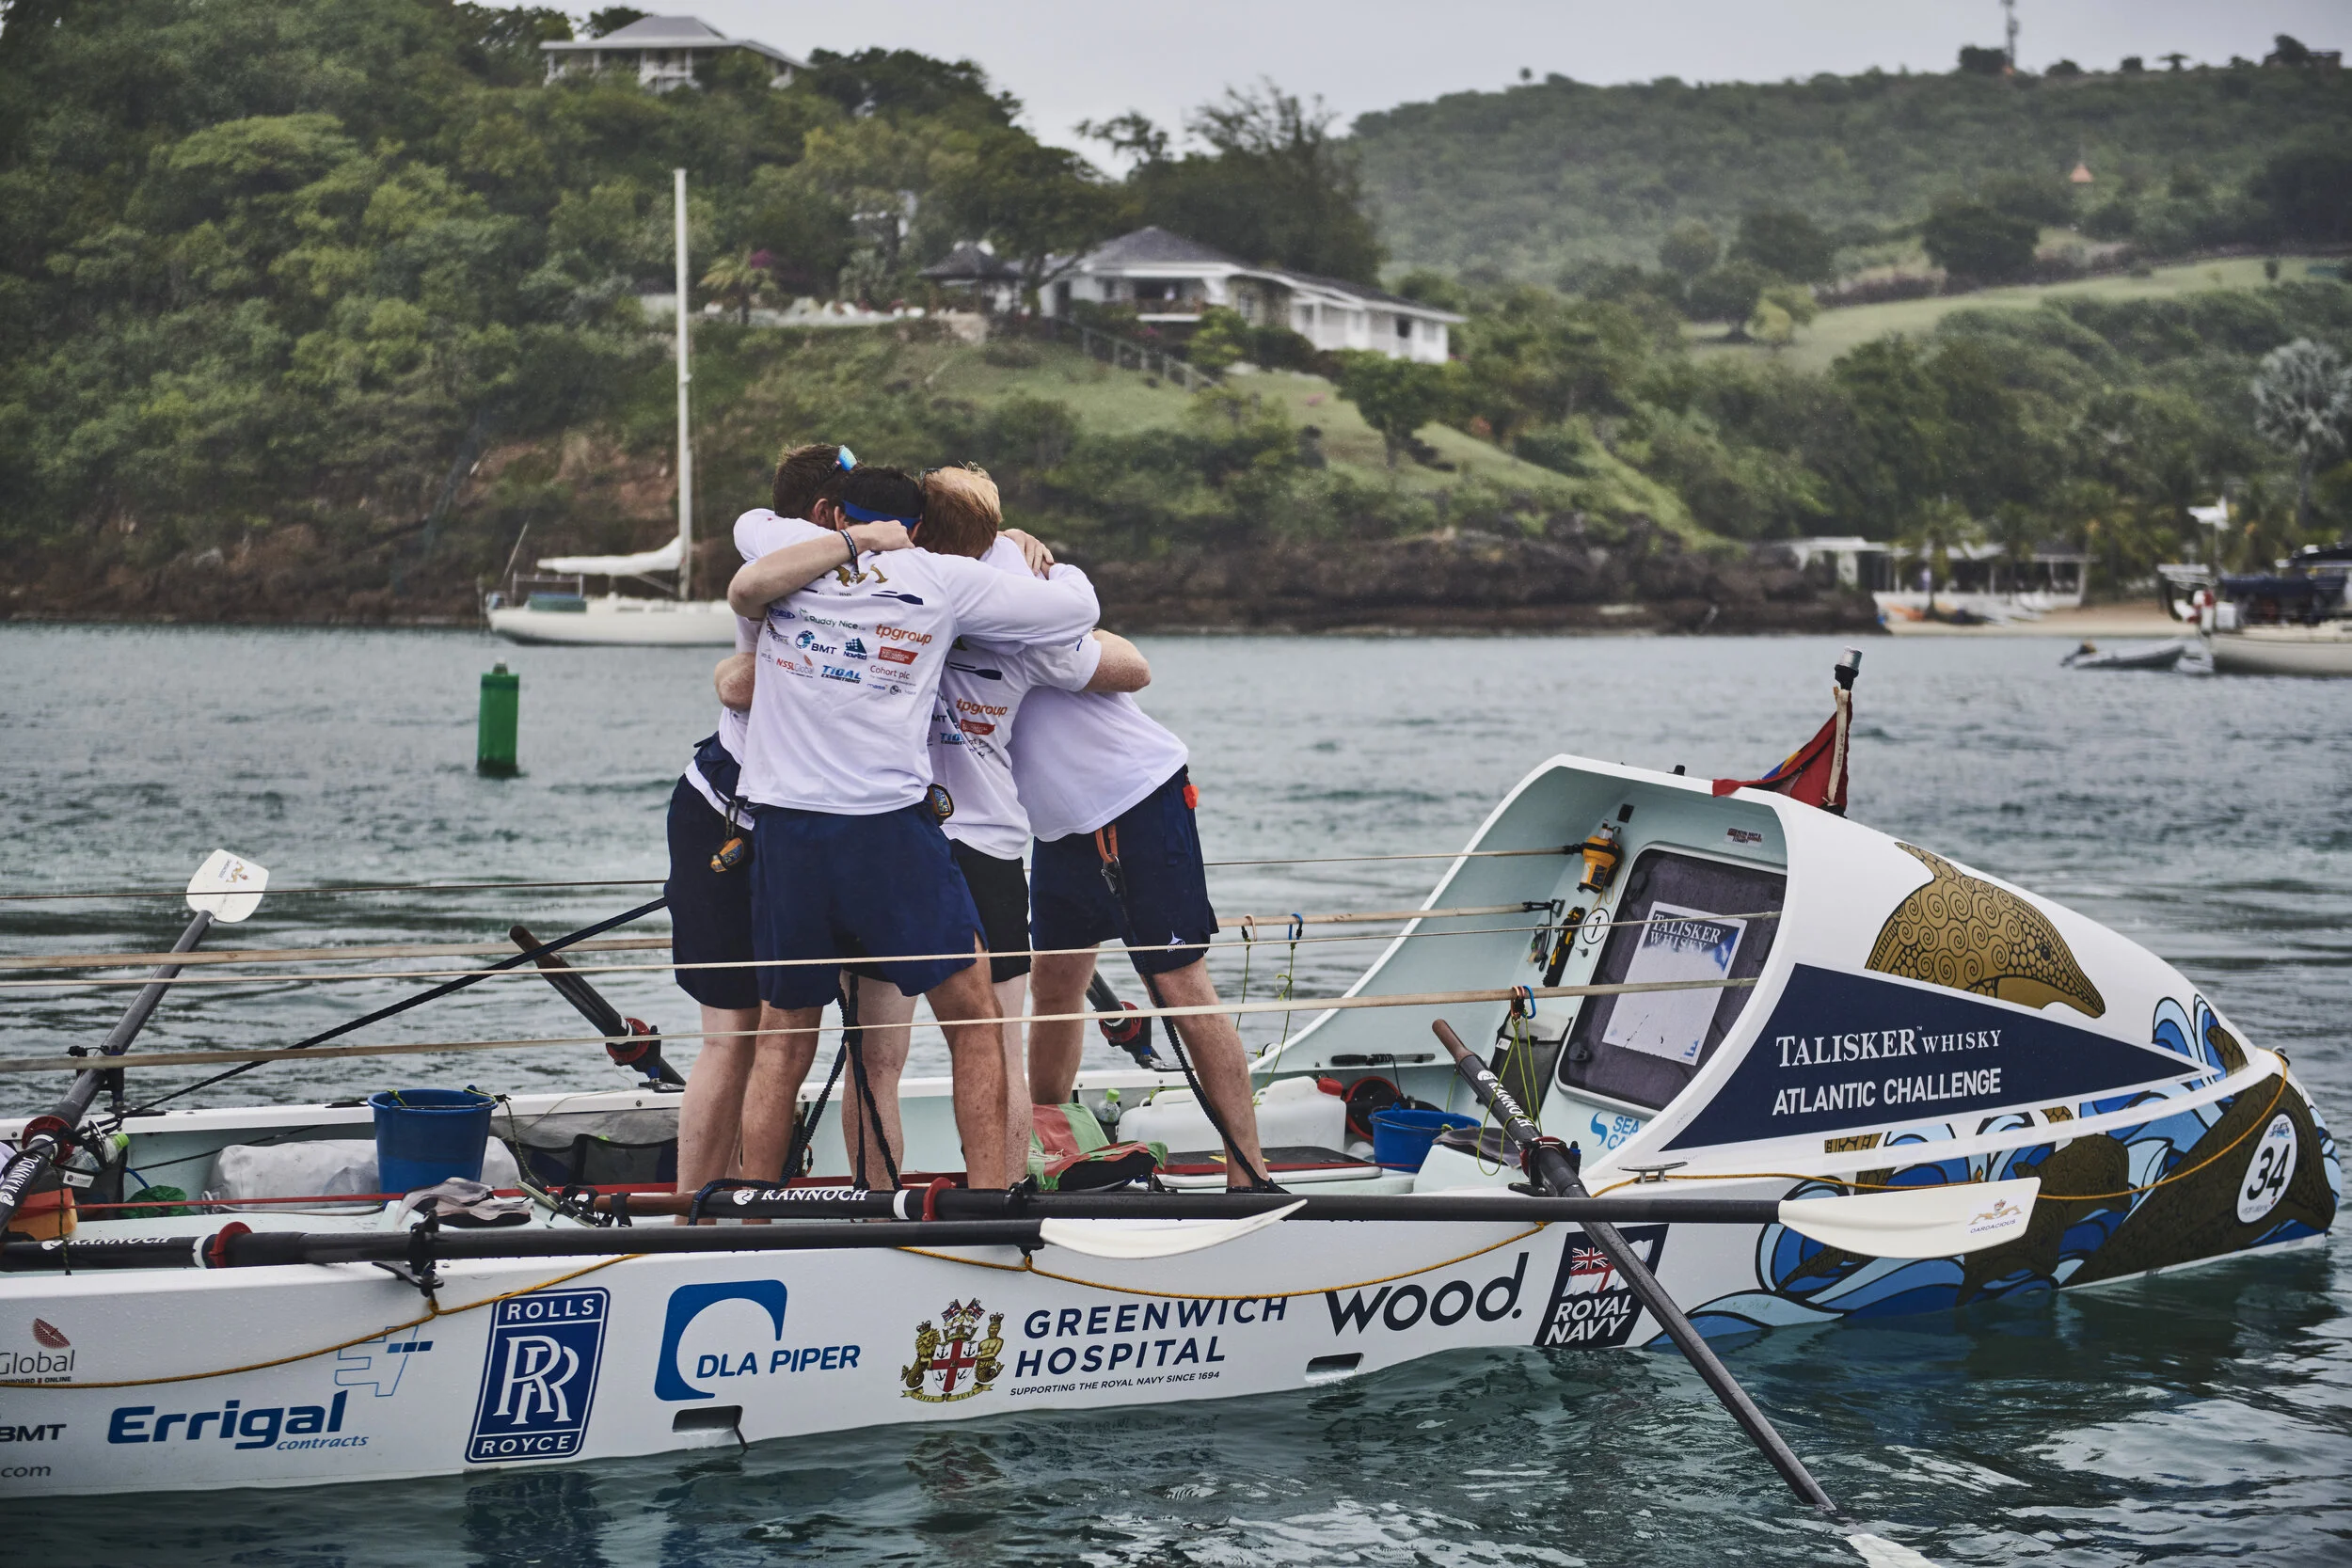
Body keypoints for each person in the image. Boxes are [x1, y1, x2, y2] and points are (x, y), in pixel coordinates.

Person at [727, 464, 1101, 1191]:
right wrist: (1035, 552)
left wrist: (851, 539)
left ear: (832, 511)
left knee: (784, 1037)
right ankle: (993, 1201)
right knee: (975, 1021)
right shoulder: (940, 577)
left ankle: (754, 1218)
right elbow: (1075, 613)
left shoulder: (781, 553)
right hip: (886, 829)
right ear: (919, 529)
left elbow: (748, 560)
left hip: (787, 829)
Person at [841, 467, 1152, 1185]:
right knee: (994, 1046)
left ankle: (868, 1208)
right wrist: (1023, 554)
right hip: (985, 846)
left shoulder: (876, 595)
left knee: (875, 1059)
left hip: (888, 836)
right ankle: (1004, 1196)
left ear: (915, 527)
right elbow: (1129, 666)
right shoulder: (1023, 618)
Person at [1010, 584, 1272, 1189]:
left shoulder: (1030, 606)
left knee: (1180, 986)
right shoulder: (940, 620)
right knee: (1052, 987)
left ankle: (1249, 1177)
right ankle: (1052, 1147)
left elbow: (1134, 667)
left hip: (1139, 804)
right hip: (1059, 830)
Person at [671, 441, 855, 1209]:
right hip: (729, 813)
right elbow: (761, 540)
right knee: (736, 1035)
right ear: (825, 514)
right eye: (858, 508)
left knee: (774, 1033)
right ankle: (688, 1216)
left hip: (768, 817)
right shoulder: (785, 547)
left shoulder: (845, 567)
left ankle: (746, 1195)